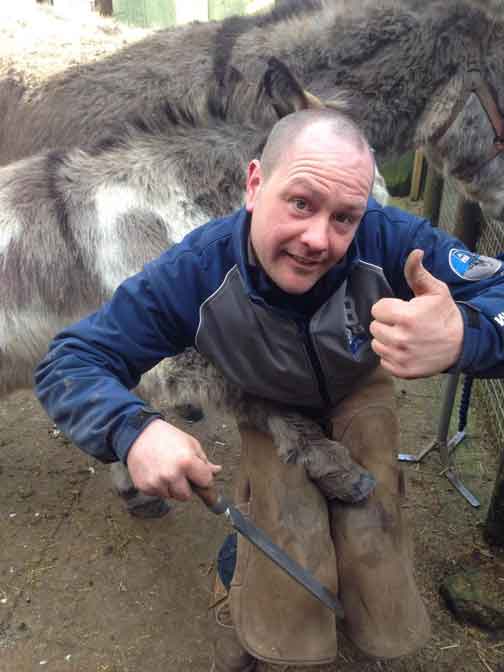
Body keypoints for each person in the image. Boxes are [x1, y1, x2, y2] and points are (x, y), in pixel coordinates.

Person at [35, 108, 504, 671]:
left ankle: (372, 634)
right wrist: (134, 432)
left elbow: (495, 286)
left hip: (360, 384)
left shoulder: (392, 241)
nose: (317, 239)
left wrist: (465, 335)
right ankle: (258, 625)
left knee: (372, 526)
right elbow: (71, 359)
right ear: (255, 184)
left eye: (344, 217)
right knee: (285, 525)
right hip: (266, 400)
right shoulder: (196, 271)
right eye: (301, 203)